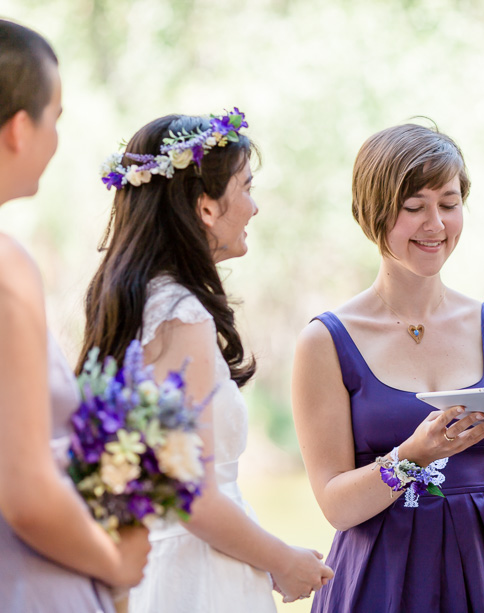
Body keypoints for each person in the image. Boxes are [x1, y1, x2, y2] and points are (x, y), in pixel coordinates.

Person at [291, 122, 484, 613]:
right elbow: (336, 504)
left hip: (481, 581)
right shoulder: (325, 342)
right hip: (375, 582)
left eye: (448, 204)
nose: (436, 225)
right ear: (371, 213)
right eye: (413, 207)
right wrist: (413, 455)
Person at [78, 108, 333, 612]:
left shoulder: (136, 299)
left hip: (159, 562)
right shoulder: (179, 312)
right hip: (199, 578)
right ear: (206, 208)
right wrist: (283, 560)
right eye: (246, 187)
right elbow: (191, 494)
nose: (255, 207)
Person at [0, 19, 151, 612]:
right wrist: (114, 562)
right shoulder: (6, 267)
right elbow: (27, 492)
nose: (56, 138)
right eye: (55, 117)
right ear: (18, 129)